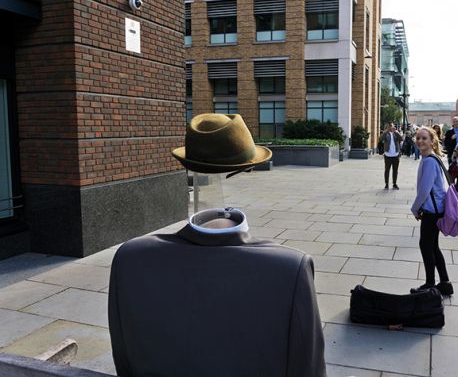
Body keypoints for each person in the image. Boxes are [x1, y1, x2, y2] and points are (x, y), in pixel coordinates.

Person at [109, 113, 327, 377]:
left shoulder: (130, 258)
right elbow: (308, 369)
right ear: (245, 172)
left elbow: (124, 359)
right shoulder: (290, 269)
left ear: (187, 169)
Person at [410, 126, 453, 296]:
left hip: (432, 211)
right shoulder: (433, 158)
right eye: (418, 138)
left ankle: (429, 284)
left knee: (426, 246)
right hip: (437, 209)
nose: (420, 141)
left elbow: (424, 190)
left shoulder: (428, 161)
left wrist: (415, 209)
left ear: (432, 141)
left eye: (424, 138)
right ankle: (445, 283)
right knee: (433, 246)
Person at [380, 123, 403, 189]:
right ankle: (386, 184)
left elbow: (401, 139)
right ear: (387, 127)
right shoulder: (386, 133)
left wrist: (396, 131)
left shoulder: (396, 133)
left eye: (392, 126)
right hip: (387, 155)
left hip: (396, 155)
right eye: (389, 126)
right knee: (387, 170)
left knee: (395, 170)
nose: (391, 128)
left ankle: (394, 183)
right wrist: (386, 131)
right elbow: (380, 139)